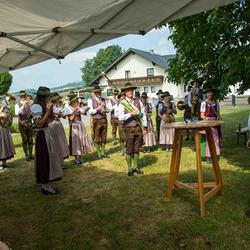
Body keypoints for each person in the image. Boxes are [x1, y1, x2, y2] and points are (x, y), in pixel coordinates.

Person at [31, 86, 63, 195]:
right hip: (42, 135)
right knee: (44, 159)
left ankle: (47, 183)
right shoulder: (36, 107)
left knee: (49, 157)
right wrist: (48, 111)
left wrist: (52, 112)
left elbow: (49, 119)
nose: (49, 98)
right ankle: (45, 186)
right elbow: (39, 123)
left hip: (47, 132)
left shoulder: (43, 105)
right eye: (47, 96)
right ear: (42, 97)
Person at [117, 83, 147, 176]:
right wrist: (131, 114)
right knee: (129, 149)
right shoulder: (122, 103)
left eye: (131, 90)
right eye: (128, 90)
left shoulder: (138, 101)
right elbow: (120, 117)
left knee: (137, 149)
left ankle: (135, 167)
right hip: (128, 128)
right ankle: (130, 169)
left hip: (138, 128)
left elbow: (143, 114)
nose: (130, 91)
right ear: (125, 92)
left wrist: (145, 126)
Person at [65, 93, 92, 164]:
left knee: (81, 141)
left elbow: (83, 114)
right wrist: (74, 112)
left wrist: (83, 110)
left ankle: (80, 157)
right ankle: (76, 158)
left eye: (77, 101)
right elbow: (71, 119)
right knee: (75, 142)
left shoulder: (78, 107)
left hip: (80, 125)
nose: (77, 102)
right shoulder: (68, 109)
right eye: (75, 101)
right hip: (74, 126)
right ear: (72, 102)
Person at [48, 92, 69, 168]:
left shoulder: (58, 105)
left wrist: (62, 114)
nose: (57, 100)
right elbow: (49, 116)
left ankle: (62, 162)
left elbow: (63, 117)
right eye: (56, 99)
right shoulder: (49, 106)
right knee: (55, 144)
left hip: (58, 125)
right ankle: (56, 163)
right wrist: (54, 114)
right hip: (52, 126)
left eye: (58, 99)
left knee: (61, 143)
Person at [200, 88, 222, 163]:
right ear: (206, 94)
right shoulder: (204, 103)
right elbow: (202, 115)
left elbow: (218, 112)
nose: (210, 94)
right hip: (207, 123)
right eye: (208, 93)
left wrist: (218, 118)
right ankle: (209, 156)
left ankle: (216, 155)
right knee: (209, 139)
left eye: (211, 92)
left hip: (215, 123)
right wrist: (208, 121)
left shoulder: (216, 102)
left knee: (216, 139)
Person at [88, 86, 109, 159]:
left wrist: (105, 110)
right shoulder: (90, 100)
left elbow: (108, 109)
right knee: (97, 138)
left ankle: (103, 152)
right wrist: (98, 108)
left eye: (100, 92)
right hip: (96, 120)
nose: (99, 93)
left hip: (104, 119)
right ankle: (99, 153)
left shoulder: (103, 99)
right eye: (97, 92)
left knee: (104, 137)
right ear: (94, 93)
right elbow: (90, 111)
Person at [15, 90, 34, 161]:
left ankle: (30, 155)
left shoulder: (29, 104)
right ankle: (26, 155)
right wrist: (23, 105)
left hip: (29, 123)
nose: (23, 97)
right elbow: (17, 113)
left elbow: (31, 113)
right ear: (20, 97)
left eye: (24, 96)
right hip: (22, 124)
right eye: (22, 96)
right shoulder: (17, 104)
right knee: (24, 139)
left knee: (31, 139)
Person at [0, 94, 16, 170]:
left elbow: (9, 117)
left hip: (5, 128)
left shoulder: (6, 108)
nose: (9, 100)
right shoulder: (2, 107)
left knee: (5, 145)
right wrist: (2, 108)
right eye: (8, 99)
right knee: (1, 145)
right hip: (0, 128)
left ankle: (4, 163)